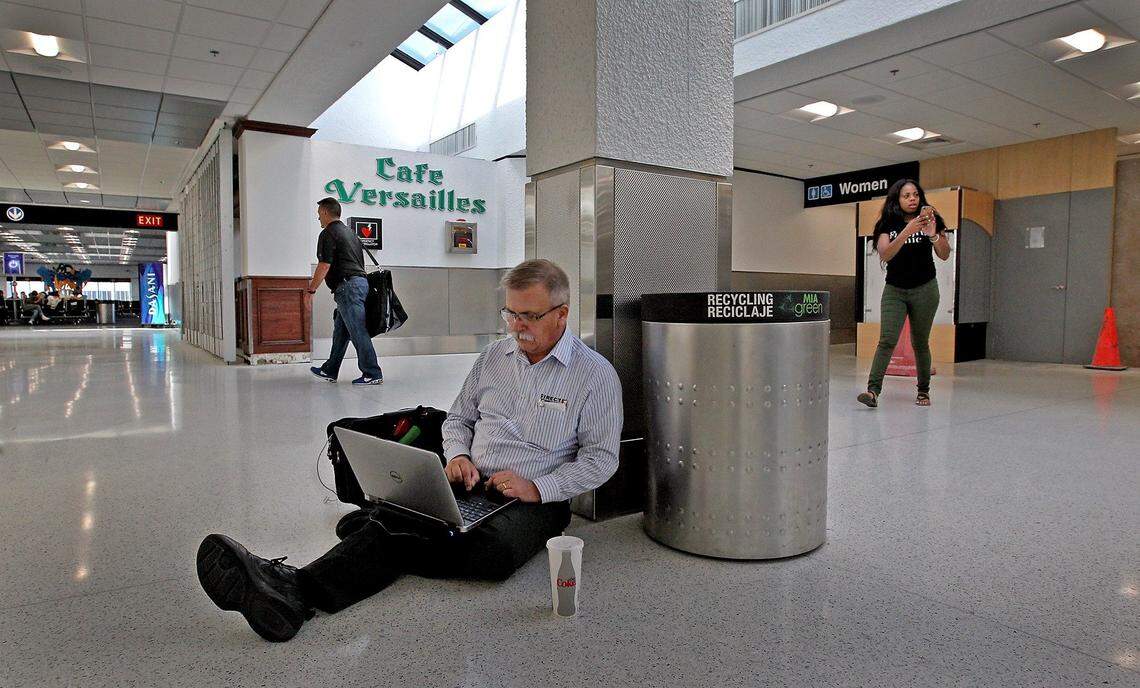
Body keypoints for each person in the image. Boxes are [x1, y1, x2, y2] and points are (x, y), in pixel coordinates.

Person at [196, 259, 621, 641]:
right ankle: (299, 592)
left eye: (530, 315)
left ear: (562, 314)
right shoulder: (495, 357)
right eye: (511, 313)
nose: (517, 326)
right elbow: (458, 420)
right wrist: (458, 456)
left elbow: (601, 459)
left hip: (535, 503)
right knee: (425, 515)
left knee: (493, 552)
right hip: (469, 481)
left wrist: (537, 486)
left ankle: (310, 574)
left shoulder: (594, 376)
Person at [858, 179, 951, 408]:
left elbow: (944, 254)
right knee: (887, 339)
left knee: (920, 342)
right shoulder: (887, 223)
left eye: (915, 195)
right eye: (906, 195)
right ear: (897, 199)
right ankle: (873, 391)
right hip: (895, 290)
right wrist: (908, 231)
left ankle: (923, 391)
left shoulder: (932, 220)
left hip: (926, 289)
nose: (912, 199)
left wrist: (932, 234)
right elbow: (885, 254)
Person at [307, 197, 383, 385]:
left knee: (358, 330)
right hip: (357, 284)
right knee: (341, 330)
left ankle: (372, 373)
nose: (319, 219)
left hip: (348, 287)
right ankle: (330, 369)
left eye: (319, 215)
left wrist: (311, 290)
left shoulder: (328, 233)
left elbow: (324, 264)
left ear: (325, 212)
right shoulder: (351, 233)